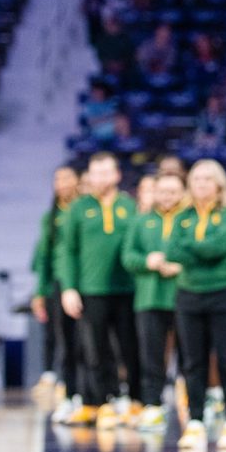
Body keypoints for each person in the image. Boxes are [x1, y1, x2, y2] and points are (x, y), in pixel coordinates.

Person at [166, 160, 226, 451]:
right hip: (189, 294)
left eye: (206, 179)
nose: (200, 184)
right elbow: (172, 249)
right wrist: (201, 251)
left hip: (225, 292)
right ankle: (196, 422)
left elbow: (223, 246)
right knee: (192, 361)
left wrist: (193, 250)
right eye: (196, 179)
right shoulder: (182, 216)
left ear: (218, 184)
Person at [57, 153, 142, 428]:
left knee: (131, 348)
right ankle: (99, 402)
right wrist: (69, 288)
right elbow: (67, 252)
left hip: (128, 288)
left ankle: (136, 402)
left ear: (117, 175)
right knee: (95, 349)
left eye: (107, 172)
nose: (101, 178)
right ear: (89, 177)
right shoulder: (79, 209)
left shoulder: (130, 206)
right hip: (91, 289)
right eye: (96, 173)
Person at [122, 171, 190, 432]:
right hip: (149, 299)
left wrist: (180, 266)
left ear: (183, 193)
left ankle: (192, 406)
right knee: (151, 357)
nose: (167, 197)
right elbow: (128, 257)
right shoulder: (140, 222)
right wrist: (147, 262)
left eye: (173, 191)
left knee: (190, 357)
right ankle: (152, 406)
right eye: (162, 191)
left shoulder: (190, 220)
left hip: (184, 297)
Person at [30, 166, 81, 423]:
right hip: (59, 285)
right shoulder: (50, 216)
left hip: (86, 283)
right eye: (57, 179)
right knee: (63, 338)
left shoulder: (84, 210)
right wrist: (40, 291)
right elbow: (44, 257)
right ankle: (66, 387)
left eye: (66, 178)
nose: (61, 183)